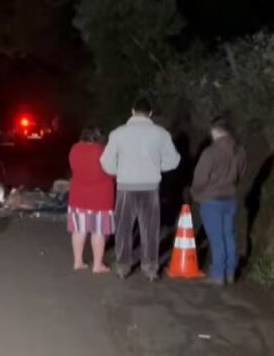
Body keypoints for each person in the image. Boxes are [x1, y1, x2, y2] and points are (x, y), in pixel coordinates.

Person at [100, 98, 181, 281]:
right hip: (150, 187)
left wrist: (118, 172)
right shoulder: (161, 134)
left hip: (125, 187)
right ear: (150, 113)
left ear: (132, 111)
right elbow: (174, 160)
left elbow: (106, 162)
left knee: (123, 228)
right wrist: (156, 167)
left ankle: (123, 266)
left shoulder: (118, 133)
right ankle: (151, 268)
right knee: (150, 229)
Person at [190, 116, 247, 286]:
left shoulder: (210, 152)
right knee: (229, 235)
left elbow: (199, 179)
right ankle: (230, 272)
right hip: (230, 198)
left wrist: (195, 192)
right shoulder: (240, 151)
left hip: (211, 200)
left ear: (214, 131)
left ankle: (218, 274)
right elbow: (241, 175)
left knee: (216, 238)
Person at [68, 126, 115, 273]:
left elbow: (73, 167)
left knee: (79, 230)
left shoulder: (74, 149)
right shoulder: (102, 151)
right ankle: (97, 265)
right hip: (101, 197)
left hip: (78, 195)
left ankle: (78, 261)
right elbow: (112, 171)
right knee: (98, 231)